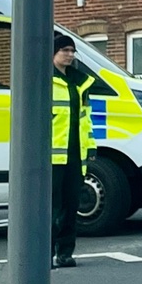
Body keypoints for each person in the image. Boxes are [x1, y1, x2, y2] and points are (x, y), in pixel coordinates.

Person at [51, 34, 96, 269]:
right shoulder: (45, 81)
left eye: (71, 51)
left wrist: (91, 147)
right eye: (64, 50)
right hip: (52, 157)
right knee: (51, 208)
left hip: (75, 155)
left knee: (70, 207)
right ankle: (45, 253)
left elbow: (85, 120)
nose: (69, 55)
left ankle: (65, 253)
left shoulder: (80, 83)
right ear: (53, 52)